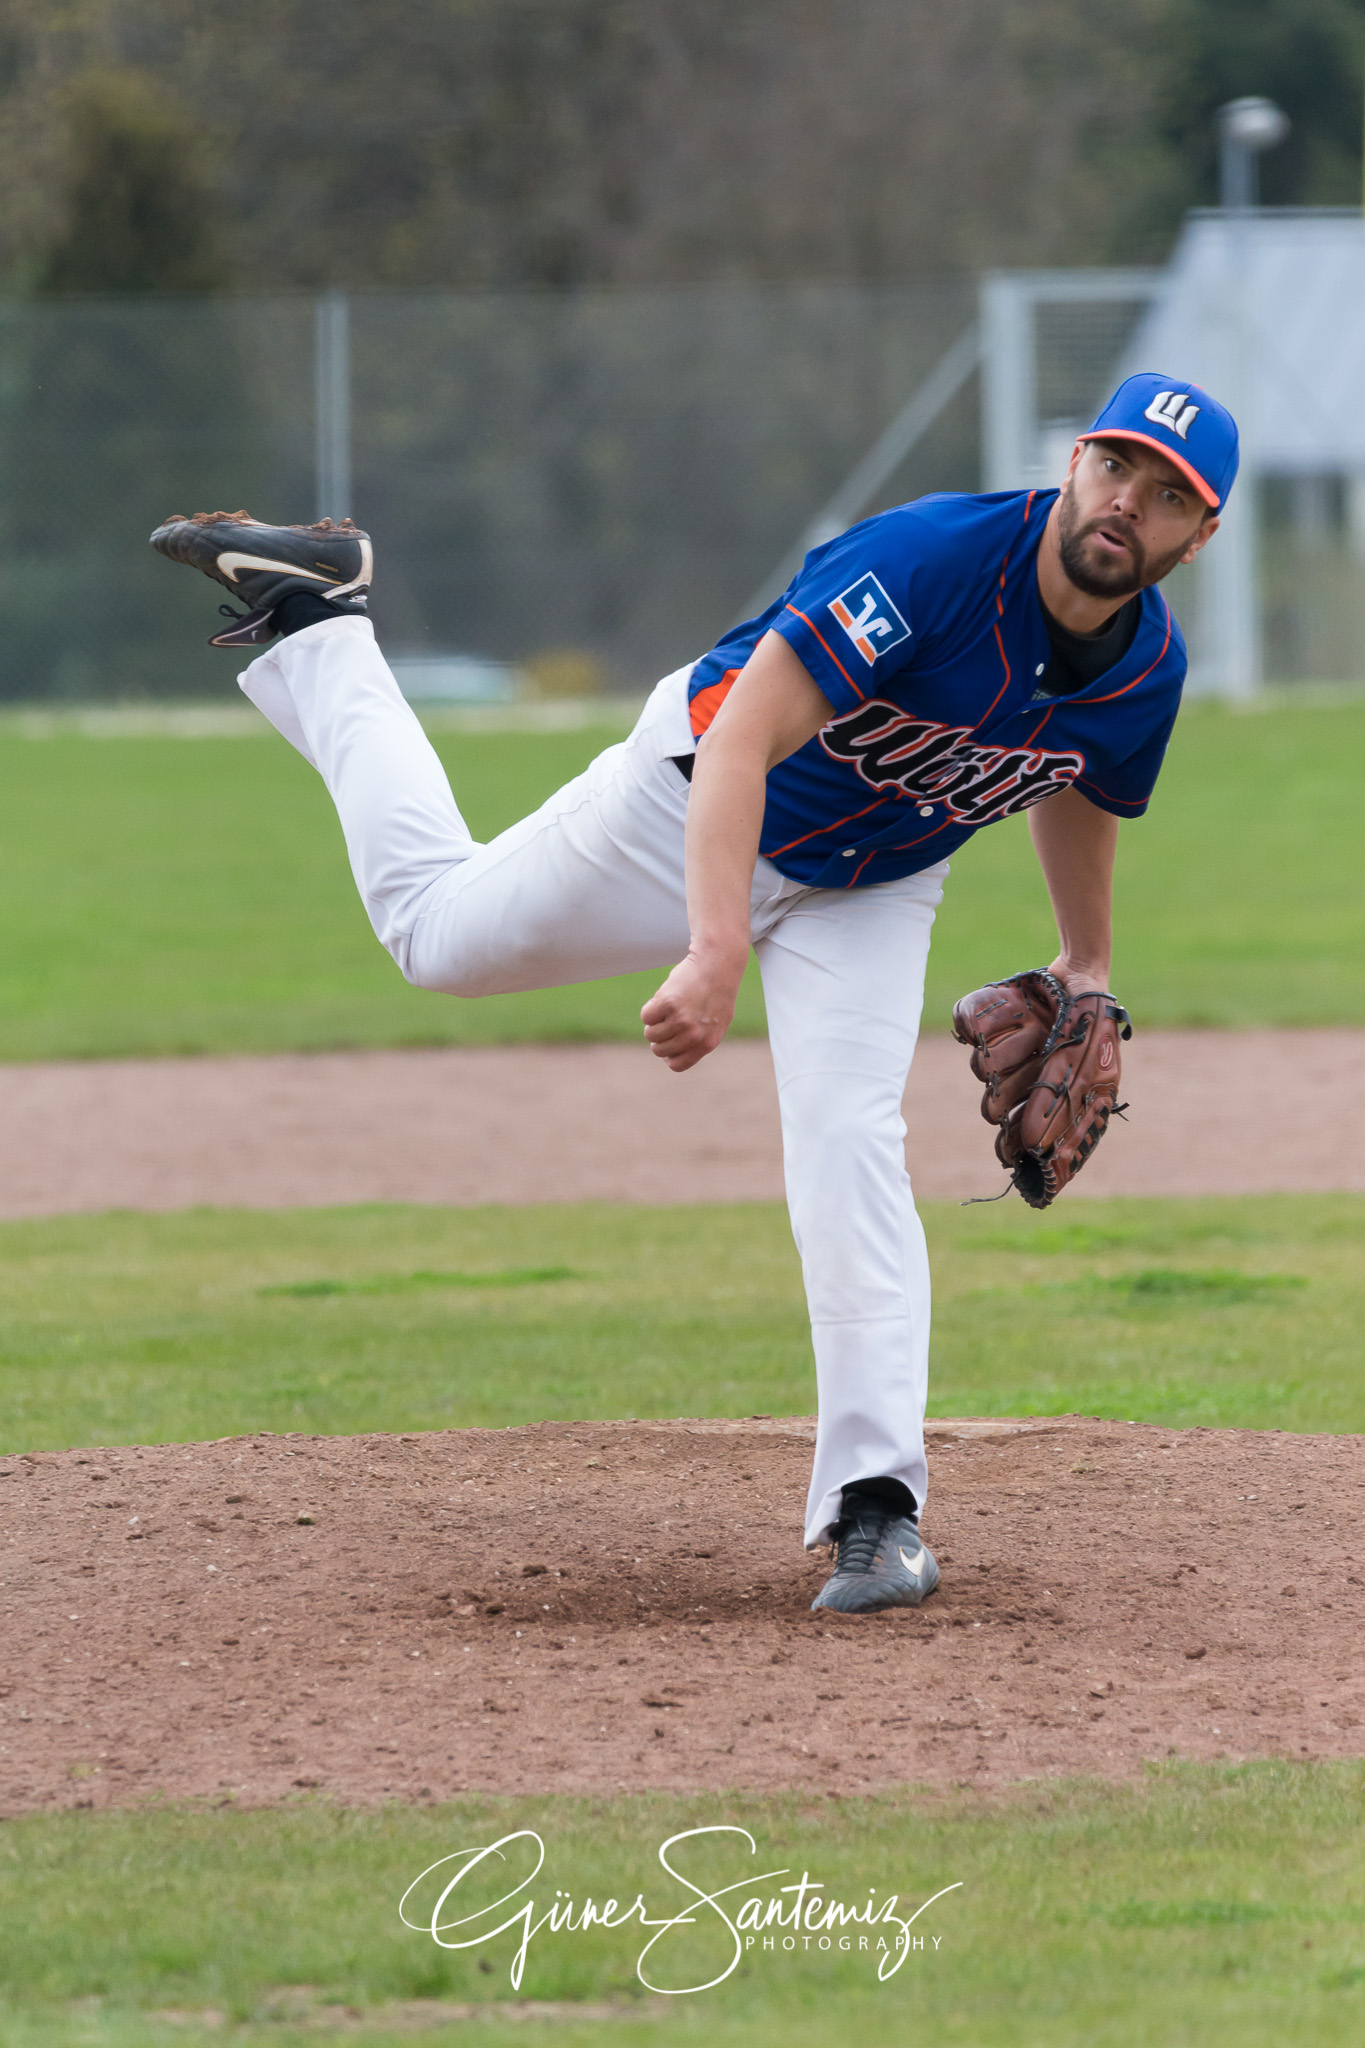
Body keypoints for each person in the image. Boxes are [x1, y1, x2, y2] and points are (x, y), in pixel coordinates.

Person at [151, 370, 1236, 1616]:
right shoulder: (933, 562)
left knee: (849, 1144)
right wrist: (715, 947)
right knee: (435, 936)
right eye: (1115, 467)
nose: (1126, 503)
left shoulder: (1146, 670)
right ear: (1074, 463)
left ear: (1196, 538)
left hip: (876, 883)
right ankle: (324, 626)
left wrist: (1085, 963)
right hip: (696, 797)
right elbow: (741, 740)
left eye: (1166, 497)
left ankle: (878, 1513)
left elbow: (1079, 784)